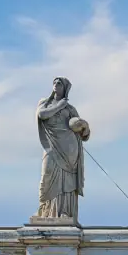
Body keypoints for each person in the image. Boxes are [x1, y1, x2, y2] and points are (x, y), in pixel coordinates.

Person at [35, 77, 90, 221]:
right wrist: (60, 105)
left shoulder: (70, 109)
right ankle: (45, 211)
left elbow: (83, 133)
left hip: (69, 150)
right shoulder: (45, 103)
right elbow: (42, 115)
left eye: (59, 83)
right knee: (46, 176)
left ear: (65, 88)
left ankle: (64, 211)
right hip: (51, 147)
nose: (56, 85)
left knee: (67, 180)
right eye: (54, 83)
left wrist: (83, 126)